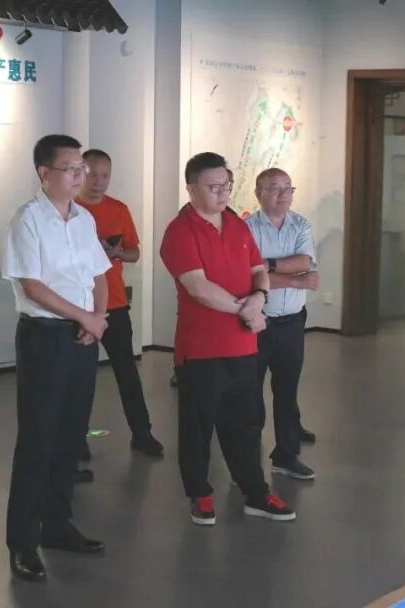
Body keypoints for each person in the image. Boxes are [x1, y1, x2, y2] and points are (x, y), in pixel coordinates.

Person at [160, 152, 296, 526]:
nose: (223, 193)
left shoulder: (237, 224)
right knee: (198, 426)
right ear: (191, 188)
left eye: (227, 186)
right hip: (201, 348)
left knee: (246, 423)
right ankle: (200, 493)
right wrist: (246, 310)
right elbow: (198, 287)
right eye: (214, 187)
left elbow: (259, 269)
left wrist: (260, 297)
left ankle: (255, 491)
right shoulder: (180, 231)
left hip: (243, 346)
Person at [3, 134, 111, 582]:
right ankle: (22, 541)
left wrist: (97, 318)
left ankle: (57, 525)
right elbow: (33, 287)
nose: (80, 175)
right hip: (45, 337)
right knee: (38, 439)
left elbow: (100, 274)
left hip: (82, 336)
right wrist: (86, 317)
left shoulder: (84, 218)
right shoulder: (27, 220)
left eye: (82, 168)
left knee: (70, 436)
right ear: (45, 173)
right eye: (72, 168)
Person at [76, 149, 164, 460]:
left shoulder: (118, 209)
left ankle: (142, 432)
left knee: (127, 372)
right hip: (79, 306)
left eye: (105, 175)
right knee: (80, 377)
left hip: (114, 303)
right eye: (93, 174)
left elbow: (134, 252)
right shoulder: (70, 209)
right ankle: (76, 438)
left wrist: (115, 253)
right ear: (81, 173)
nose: (99, 181)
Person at [246, 168, 319, 480]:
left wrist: (268, 266)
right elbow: (249, 276)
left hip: (292, 322)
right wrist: (295, 279)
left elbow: (306, 262)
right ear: (258, 193)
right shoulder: (247, 228)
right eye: (275, 188)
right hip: (257, 322)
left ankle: (286, 456)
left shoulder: (301, 225)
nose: (283, 194)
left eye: (288, 188)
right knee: (250, 393)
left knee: (287, 391)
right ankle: (247, 461)